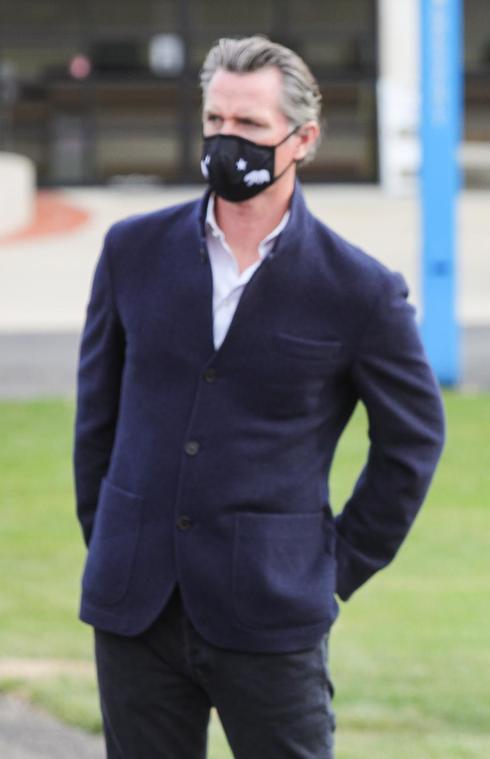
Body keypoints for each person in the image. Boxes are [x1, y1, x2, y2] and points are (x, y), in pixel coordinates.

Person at [73, 36, 445, 759]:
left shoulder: (359, 289)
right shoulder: (131, 250)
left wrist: (336, 566)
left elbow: (413, 439)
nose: (225, 140)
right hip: (134, 604)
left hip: (273, 612)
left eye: (248, 126)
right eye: (215, 121)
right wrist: (113, 534)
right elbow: (97, 418)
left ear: (302, 138)